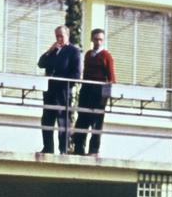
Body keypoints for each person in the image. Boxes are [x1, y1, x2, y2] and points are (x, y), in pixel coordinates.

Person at [36, 25, 81, 155]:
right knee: (47, 120)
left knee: (62, 121)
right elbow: (41, 64)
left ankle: (63, 150)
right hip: (50, 91)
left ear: (67, 35)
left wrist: (64, 83)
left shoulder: (73, 51)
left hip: (63, 92)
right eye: (57, 36)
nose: (59, 39)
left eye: (61, 36)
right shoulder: (54, 50)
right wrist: (50, 50)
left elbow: (76, 74)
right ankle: (48, 148)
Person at [71, 28, 116, 156]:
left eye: (100, 39)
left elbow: (111, 78)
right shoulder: (88, 54)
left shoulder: (106, 56)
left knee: (97, 122)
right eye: (96, 39)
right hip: (86, 91)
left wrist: (105, 96)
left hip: (98, 92)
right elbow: (85, 73)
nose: (98, 42)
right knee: (82, 119)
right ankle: (79, 148)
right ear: (92, 39)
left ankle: (93, 150)